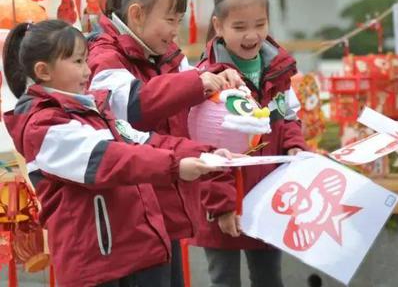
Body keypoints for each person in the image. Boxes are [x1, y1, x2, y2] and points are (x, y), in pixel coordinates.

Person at [2, 20, 229, 287]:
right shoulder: (42, 126)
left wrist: (208, 154)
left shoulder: (95, 108)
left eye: (86, 60)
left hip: (139, 253)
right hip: (97, 267)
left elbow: (144, 141)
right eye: (77, 62)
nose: (88, 71)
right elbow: (110, 158)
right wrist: (176, 166)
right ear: (43, 70)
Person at [86, 0, 243, 286]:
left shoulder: (167, 54)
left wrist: (221, 89)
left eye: (179, 21)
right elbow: (131, 106)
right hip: (133, 219)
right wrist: (200, 82)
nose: (175, 30)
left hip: (165, 208)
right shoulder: (103, 54)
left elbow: (194, 98)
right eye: (170, 20)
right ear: (137, 14)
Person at [191, 0, 308, 287]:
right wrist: (223, 206)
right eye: (239, 27)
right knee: (224, 280)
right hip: (221, 202)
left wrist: (294, 147)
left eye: (260, 24)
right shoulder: (206, 79)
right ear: (218, 26)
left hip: (267, 197)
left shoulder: (278, 69)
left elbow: (287, 119)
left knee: (270, 278)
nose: (251, 36)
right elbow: (205, 150)